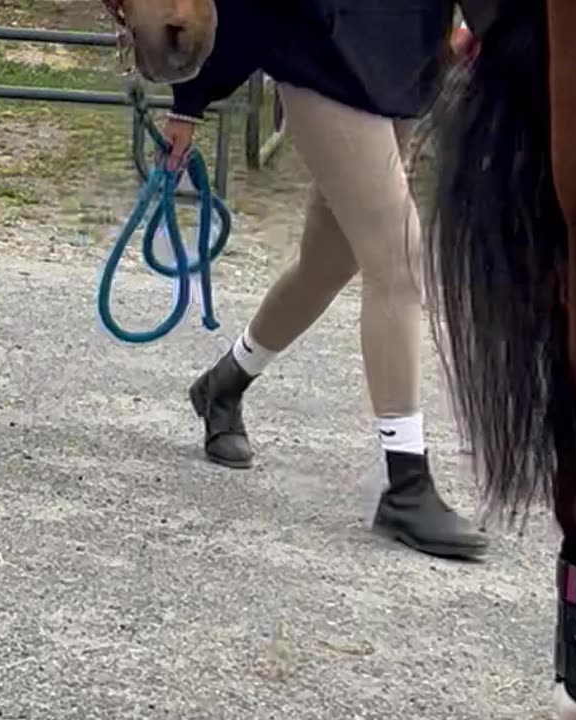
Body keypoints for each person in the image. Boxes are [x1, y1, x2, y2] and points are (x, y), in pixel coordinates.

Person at [165, 0, 488, 560]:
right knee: (399, 257)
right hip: (321, 53)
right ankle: (405, 484)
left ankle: (225, 382)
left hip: (405, 61)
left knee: (328, 263)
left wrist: (488, 32)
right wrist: (191, 98)